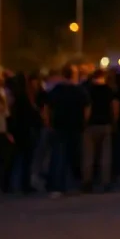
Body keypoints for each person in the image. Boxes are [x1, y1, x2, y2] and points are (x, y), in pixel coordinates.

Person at [44, 64, 90, 197]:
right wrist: (84, 122)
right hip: (75, 127)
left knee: (58, 156)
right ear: (74, 75)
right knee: (74, 156)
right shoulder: (80, 91)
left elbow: (47, 107)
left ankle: (56, 186)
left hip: (59, 126)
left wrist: (48, 122)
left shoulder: (56, 90)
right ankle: (73, 184)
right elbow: (87, 108)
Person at [82, 68, 118, 192]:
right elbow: (115, 108)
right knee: (105, 155)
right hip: (105, 124)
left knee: (88, 155)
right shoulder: (109, 91)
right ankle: (106, 182)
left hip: (91, 125)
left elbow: (87, 109)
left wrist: (85, 122)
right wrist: (114, 121)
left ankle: (87, 182)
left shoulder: (88, 90)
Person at [8, 73, 42, 194]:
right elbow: (30, 115)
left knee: (16, 159)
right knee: (27, 159)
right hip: (26, 130)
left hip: (17, 130)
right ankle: (24, 184)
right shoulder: (25, 98)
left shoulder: (15, 97)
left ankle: (12, 184)